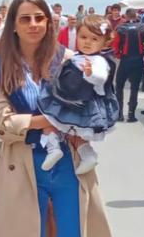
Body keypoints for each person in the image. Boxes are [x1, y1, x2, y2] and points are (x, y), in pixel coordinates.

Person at [0, 0, 111, 237]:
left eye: (39, 18)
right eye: (25, 19)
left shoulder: (68, 59)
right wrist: (53, 120)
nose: (33, 24)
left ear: (48, 23)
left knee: (73, 230)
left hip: (69, 157)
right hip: (22, 160)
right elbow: (0, 121)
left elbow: (94, 106)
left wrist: (45, 122)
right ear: (13, 25)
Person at [38, 14, 118, 175]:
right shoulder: (77, 56)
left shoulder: (99, 61)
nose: (87, 42)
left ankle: (68, 151)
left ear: (105, 42)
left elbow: (101, 77)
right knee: (64, 127)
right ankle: (61, 150)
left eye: (94, 39)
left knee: (52, 120)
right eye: (83, 37)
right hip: (69, 97)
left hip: (83, 102)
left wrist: (89, 73)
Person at [112, 8, 144, 122]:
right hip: (138, 60)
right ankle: (131, 115)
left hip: (125, 60)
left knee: (119, 87)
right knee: (134, 88)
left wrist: (119, 55)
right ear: (135, 16)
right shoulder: (143, 27)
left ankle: (119, 114)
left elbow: (115, 46)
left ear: (125, 16)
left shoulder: (120, 28)